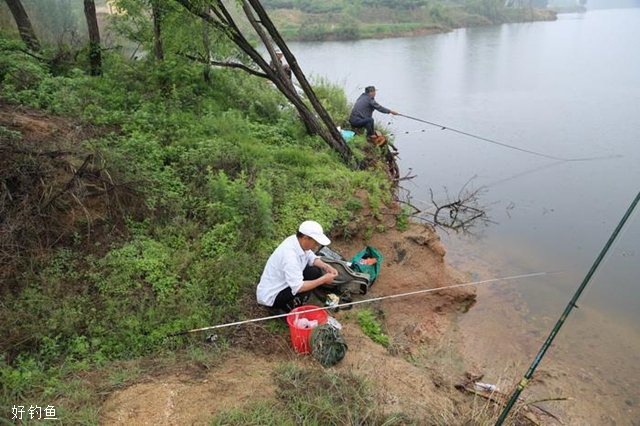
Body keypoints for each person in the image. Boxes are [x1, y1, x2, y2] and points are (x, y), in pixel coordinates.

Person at [256, 220, 339, 313]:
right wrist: (323, 279)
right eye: (315, 242)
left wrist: (325, 266)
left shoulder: (297, 241)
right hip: (273, 295)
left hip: (286, 281)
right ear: (305, 238)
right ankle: (285, 308)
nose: (317, 245)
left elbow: (310, 256)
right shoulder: (289, 256)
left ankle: (295, 303)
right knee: (305, 290)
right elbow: (298, 287)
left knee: (315, 272)